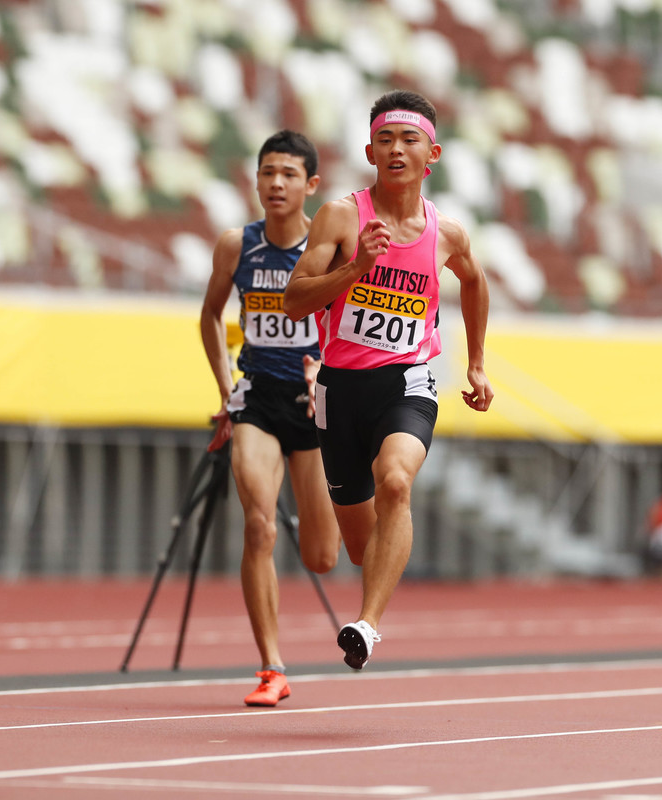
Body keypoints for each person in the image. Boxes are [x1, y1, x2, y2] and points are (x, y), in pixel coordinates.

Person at [282, 89, 493, 670]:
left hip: (407, 380)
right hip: (339, 390)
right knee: (359, 545)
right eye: (385, 140)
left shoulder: (446, 233)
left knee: (396, 481)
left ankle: (367, 625)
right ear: (370, 152)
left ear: (434, 153)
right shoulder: (342, 217)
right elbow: (295, 300)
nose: (396, 149)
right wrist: (356, 269)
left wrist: (475, 361)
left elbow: (474, 283)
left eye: (409, 139)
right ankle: (374, 578)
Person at [200, 130, 340, 706]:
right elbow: (209, 316)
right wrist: (227, 387)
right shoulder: (238, 247)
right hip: (256, 397)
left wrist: (325, 371)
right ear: (255, 180)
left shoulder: (332, 249)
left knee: (321, 557)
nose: (275, 184)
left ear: (310, 185)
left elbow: (351, 327)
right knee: (258, 525)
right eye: (266, 173)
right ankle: (271, 668)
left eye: (287, 174)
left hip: (312, 406)